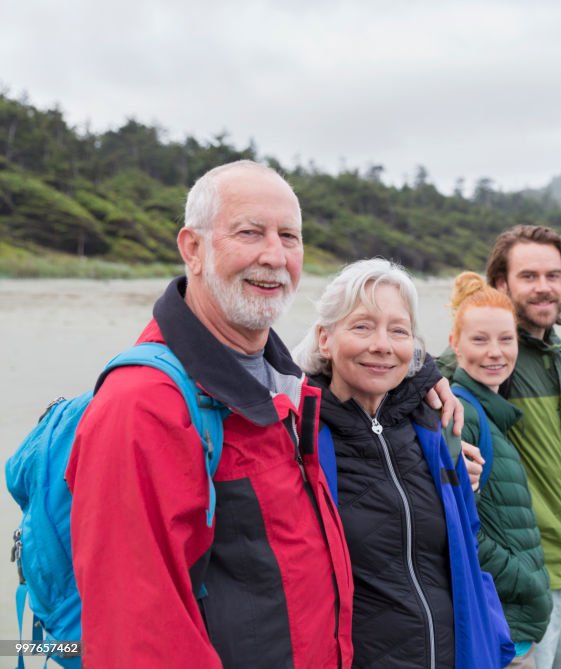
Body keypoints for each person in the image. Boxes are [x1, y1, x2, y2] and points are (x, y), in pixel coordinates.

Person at [66, 160, 458, 667]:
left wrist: (423, 375)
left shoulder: (286, 386)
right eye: (250, 232)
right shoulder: (144, 407)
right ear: (193, 248)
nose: (274, 256)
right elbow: (137, 640)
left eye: (289, 237)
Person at [293, 258, 513, 669]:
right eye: (362, 326)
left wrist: (495, 645)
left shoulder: (436, 427)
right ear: (325, 339)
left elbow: (467, 544)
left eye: (398, 330)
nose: (382, 344)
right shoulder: (297, 435)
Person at [440, 225, 561, 669]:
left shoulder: (559, 353)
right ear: (502, 285)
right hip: (529, 575)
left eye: (553, 275)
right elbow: (426, 376)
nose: (544, 286)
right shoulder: (492, 358)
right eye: (528, 276)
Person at [448, 272, 552, 668]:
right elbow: (457, 531)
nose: (495, 352)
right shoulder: (463, 416)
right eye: (479, 339)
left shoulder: (486, 414)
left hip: (510, 632)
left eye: (505, 339)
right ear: (455, 345)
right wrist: (529, 585)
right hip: (499, 635)